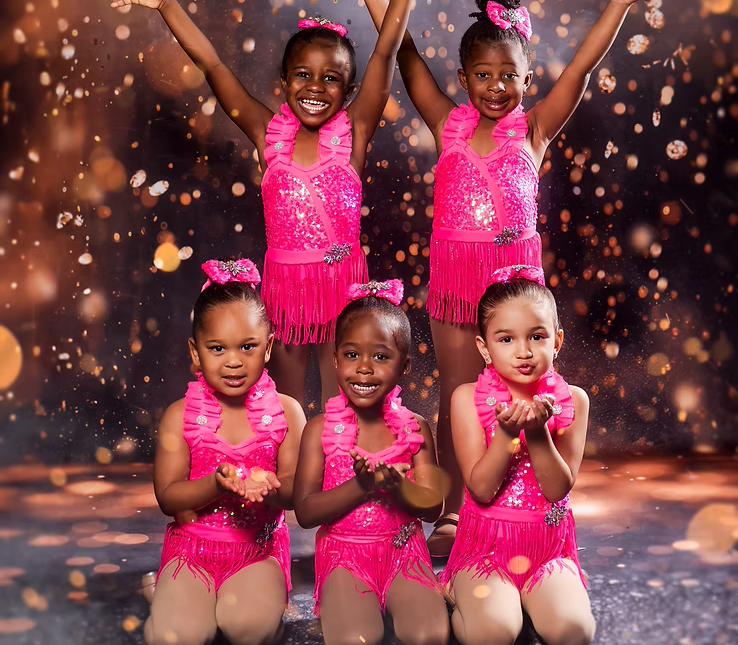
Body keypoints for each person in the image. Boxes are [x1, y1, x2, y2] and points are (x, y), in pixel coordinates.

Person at [337, 0, 667, 551]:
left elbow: (582, 65)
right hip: (456, 283)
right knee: (460, 395)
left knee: (520, 391)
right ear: (464, 79)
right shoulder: (447, 122)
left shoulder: (535, 129)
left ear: (526, 78)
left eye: (508, 75)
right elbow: (406, 60)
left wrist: (620, 2)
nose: (496, 87)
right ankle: (453, 511)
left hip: (515, 289)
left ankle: (521, 504)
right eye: (483, 75)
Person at [106, 0, 456, 411]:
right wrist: (166, 3)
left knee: (343, 411)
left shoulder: (354, 131)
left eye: (331, 78)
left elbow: (386, 49)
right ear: (284, 80)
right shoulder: (265, 133)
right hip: (284, 294)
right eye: (303, 75)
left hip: (343, 290)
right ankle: (289, 464)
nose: (315, 87)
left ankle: (341, 462)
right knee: (284, 410)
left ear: (350, 91)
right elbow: (213, 66)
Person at [144, 258, 305, 645]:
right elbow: (168, 497)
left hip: (256, 551)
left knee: (247, 628)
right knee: (179, 636)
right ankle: (171, 600)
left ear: (268, 347)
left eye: (248, 347)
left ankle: (255, 609)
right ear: (195, 351)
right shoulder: (180, 414)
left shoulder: (286, 412)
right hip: (192, 550)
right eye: (217, 348)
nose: (233, 361)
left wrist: (269, 485)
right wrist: (215, 485)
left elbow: (296, 494)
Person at [441, 265, 594, 645]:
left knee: (573, 632)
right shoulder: (466, 398)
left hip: (547, 550)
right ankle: (464, 595)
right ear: (484, 347)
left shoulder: (573, 400)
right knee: (494, 634)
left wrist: (537, 431)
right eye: (506, 339)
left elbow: (557, 489)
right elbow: (481, 490)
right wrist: (507, 435)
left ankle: (533, 598)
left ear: (557, 341)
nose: (524, 352)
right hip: (487, 552)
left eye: (537, 336)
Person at [293, 280, 450, 645]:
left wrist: (400, 487)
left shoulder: (415, 428)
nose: (364, 368)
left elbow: (433, 508)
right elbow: (305, 512)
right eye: (351, 355)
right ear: (335, 359)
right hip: (345, 556)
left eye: (380, 357)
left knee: (429, 636)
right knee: (357, 639)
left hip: (405, 551)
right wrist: (361, 486)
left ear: (404, 365)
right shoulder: (318, 430)